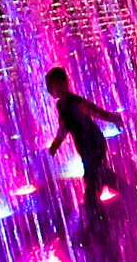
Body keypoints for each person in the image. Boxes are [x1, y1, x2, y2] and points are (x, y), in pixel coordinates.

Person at [46, 67, 123, 232]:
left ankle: (97, 222)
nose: (52, 89)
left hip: (93, 144)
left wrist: (114, 118)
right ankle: (128, 194)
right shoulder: (61, 106)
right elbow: (64, 128)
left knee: (92, 182)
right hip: (84, 147)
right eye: (50, 86)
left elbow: (97, 112)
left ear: (64, 83)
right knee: (100, 176)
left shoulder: (76, 103)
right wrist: (54, 147)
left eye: (54, 85)